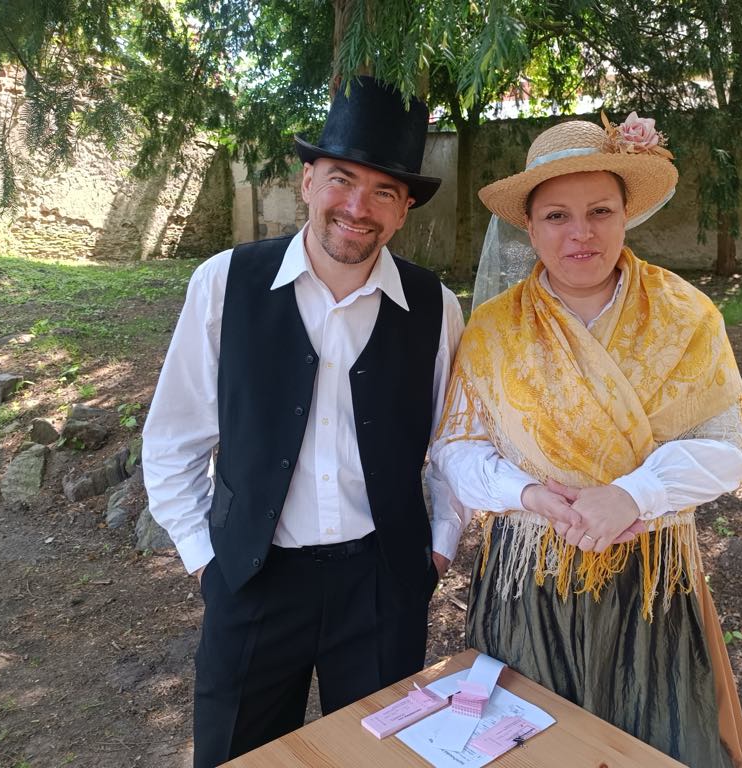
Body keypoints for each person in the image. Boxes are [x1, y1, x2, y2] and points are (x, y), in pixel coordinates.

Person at [142, 77, 464, 767]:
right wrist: (206, 561)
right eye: (342, 180)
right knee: (235, 755)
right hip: (252, 579)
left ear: (405, 209)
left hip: (384, 581)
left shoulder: (437, 307)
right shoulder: (223, 283)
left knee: (383, 760)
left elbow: (453, 444)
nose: (357, 207)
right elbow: (173, 438)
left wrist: (439, 547)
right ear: (308, 180)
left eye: (384, 191)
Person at [430, 114, 742, 768]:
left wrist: (634, 495)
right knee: (529, 745)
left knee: (649, 739)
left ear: (625, 216)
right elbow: (457, 447)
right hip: (526, 578)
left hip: (649, 577)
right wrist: (528, 493)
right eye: (556, 216)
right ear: (530, 229)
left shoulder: (686, 315)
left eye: (599, 211)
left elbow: (730, 444)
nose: (580, 232)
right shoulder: (493, 329)